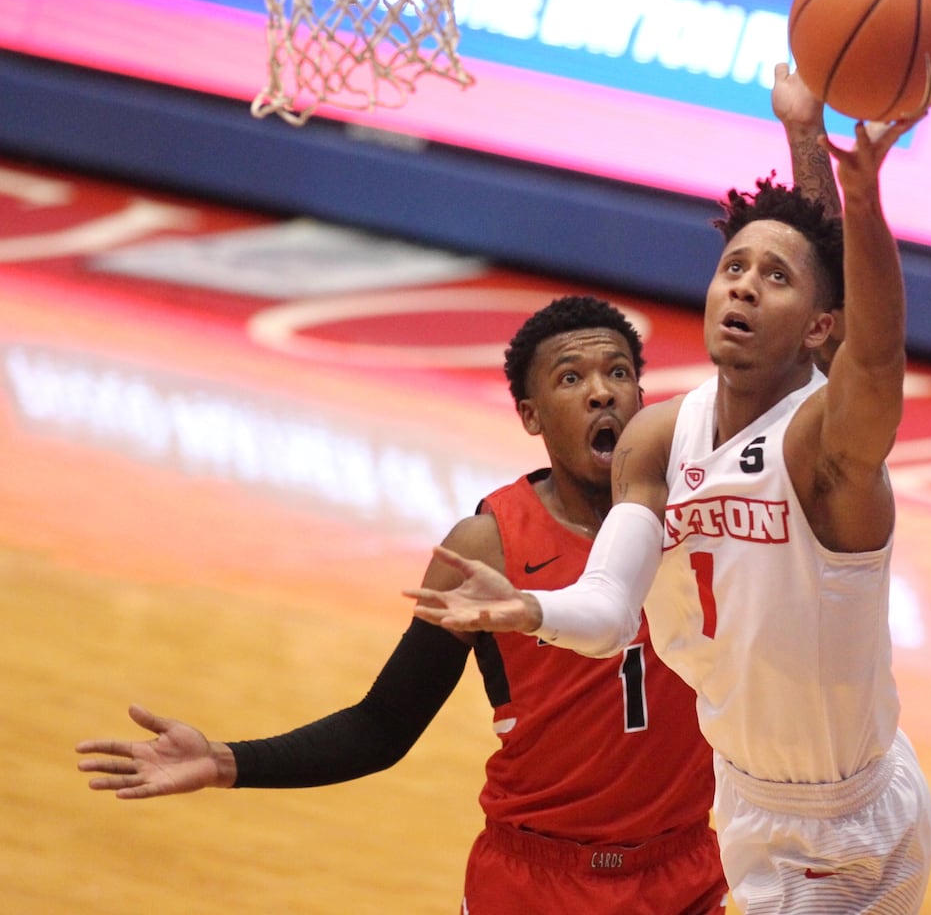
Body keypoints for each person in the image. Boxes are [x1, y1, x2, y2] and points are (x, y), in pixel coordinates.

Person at [408, 113, 931, 913]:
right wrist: (531, 609)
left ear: (820, 326)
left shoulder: (823, 450)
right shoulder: (658, 437)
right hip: (744, 799)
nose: (746, 285)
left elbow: (874, 359)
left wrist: (860, 202)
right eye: (734, 267)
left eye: (777, 278)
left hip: (847, 826)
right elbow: (606, 611)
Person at [75, 295, 729, 913]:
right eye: (570, 378)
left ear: (643, 398)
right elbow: (384, 724)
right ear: (530, 414)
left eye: (619, 372)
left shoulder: (704, 511)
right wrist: (226, 761)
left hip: (685, 873)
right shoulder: (489, 546)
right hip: (537, 883)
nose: (601, 390)